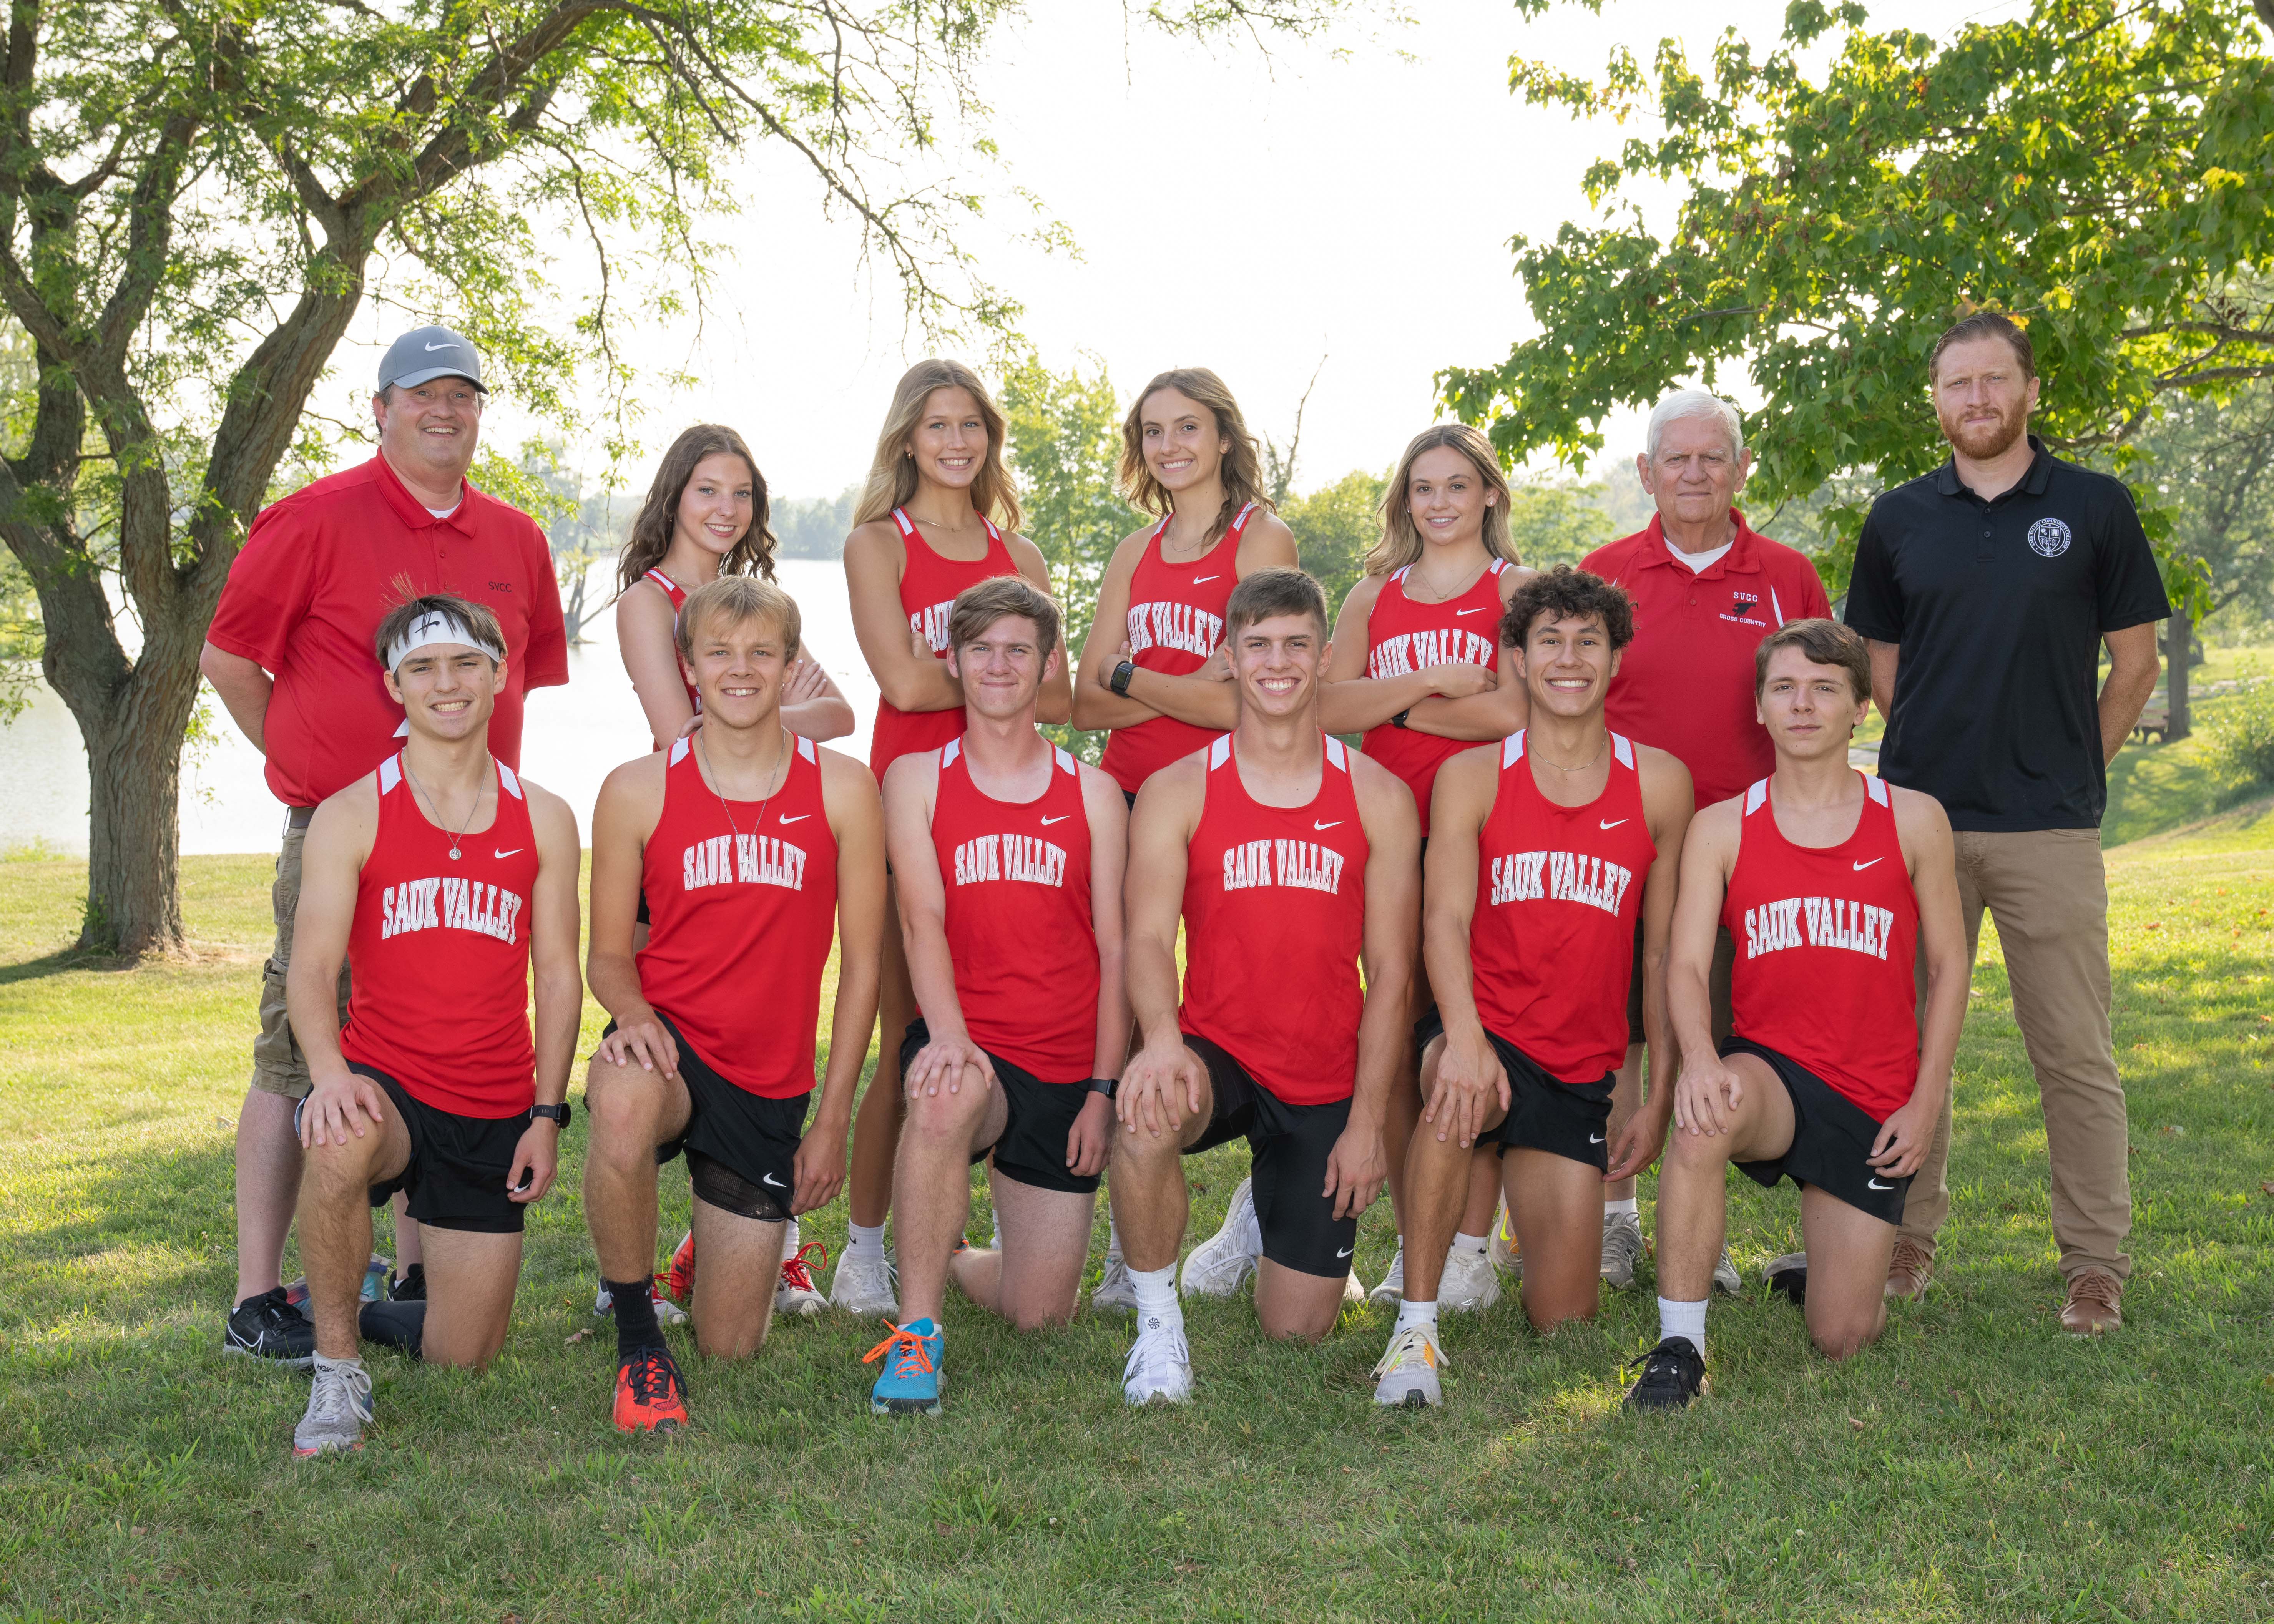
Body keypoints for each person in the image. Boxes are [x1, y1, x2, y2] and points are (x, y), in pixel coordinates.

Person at [202, 327, 568, 1365]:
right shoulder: (314, 518)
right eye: (422, 394)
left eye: (462, 393)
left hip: (476, 833)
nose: (443, 410)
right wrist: (306, 766)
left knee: (447, 1036)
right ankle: (258, 1296)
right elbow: (228, 657)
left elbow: (523, 685)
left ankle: (414, 1272)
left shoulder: (517, 538)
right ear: (381, 407)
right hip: (344, 829)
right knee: (296, 1054)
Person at [1845, 311, 2168, 1333]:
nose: (1974, 400)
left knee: (2071, 1053)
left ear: (2030, 390)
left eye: (1993, 381)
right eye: (1955, 385)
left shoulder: (2093, 506)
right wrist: (1941, 761)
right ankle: (1900, 1242)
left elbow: (2134, 665)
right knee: (1899, 1046)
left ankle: (2092, 1267)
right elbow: (1878, 665)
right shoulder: (1895, 518)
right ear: (1932, 401)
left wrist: (2067, 767)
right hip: (1917, 828)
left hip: (2048, 830)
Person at [1621, 621, 1967, 1408]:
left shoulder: (1913, 819)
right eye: (1784, 688)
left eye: (1823, 688)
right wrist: (1703, 1060)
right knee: (1708, 1118)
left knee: (1842, 1335)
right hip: (1771, 1073)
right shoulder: (1722, 826)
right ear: (1759, 707)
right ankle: (1680, 1346)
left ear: (1859, 709)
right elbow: (1681, 963)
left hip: (1872, 1096)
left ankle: (1817, 1265)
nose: (1802, 705)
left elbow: (1948, 969)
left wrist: (1925, 1100)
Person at [1372, 568, 1691, 1408]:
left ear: (1616, 658)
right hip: (1484, 1029)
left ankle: (1500, 1214)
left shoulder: (1659, 782)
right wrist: (1465, 1041)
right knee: (1452, 1083)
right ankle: (1417, 1322)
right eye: (1548, 640)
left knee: (1566, 1319)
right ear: (1515, 656)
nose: (1568, 657)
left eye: (1588, 640)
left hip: (1577, 1068)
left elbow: (1659, 958)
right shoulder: (1472, 776)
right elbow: (1442, 921)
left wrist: (1655, 1097)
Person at [581, 577, 885, 1433]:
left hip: (769, 1080)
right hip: (670, 1048)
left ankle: (698, 1254)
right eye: (719, 652)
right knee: (621, 1093)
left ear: (792, 667)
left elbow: (863, 967)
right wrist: (632, 1017)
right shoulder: (636, 789)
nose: (740, 669)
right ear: (688, 665)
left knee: (731, 1345)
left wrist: (831, 1122)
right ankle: (639, 1339)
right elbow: (607, 954)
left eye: (761, 653)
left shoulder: (843, 789)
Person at [282, 595, 582, 1456]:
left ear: (498, 676)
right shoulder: (352, 811)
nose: (445, 683)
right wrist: (332, 1076)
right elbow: (309, 970)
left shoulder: (546, 816)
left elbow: (558, 976)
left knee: (465, 1354)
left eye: (464, 664)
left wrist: (546, 1114)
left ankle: (365, 1302)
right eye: (423, 667)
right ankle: (336, 1371)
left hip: (492, 1099)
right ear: (395, 685)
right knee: (335, 1142)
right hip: (389, 1083)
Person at [1114, 567, 1418, 1406]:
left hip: (1323, 1074)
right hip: (1220, 1055)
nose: (1277, 662)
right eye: (1258, 645)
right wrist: (1163, 1041)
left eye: (1295, 644)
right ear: (1229, 657)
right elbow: (1145, 937)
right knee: (1143, 1112)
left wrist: (1367, 1123)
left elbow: (1391, 974)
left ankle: (1261, 1212)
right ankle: (1157, 1324)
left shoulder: (1379, 798)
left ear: (1324, 656)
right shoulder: (1180, 789)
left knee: (1297, 1329)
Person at [833, 360, 1071, 1318]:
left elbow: (1057, 693)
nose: (957, 441)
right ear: (907, 438)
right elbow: (898, 684)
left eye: (972, 424)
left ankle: (1001, 1226)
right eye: (938, 425)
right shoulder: (873, 544)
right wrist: (997, 681)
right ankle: (862, 1248)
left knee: (1015, 1012)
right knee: (910, 1040)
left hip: (1012, 805)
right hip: (916, 799)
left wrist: (976, 682)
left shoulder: (1022, 553)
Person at [1580, 389, 1832, 1294]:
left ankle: (1702, 1222)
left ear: (1740, 470)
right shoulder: (1603, 572)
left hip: (1746, 848)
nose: (1693, 474)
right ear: (1646, 473)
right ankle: (1614, 1217)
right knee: (1619, 1034)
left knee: (1711, 1032)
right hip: (1624, 842)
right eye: (1674, 459)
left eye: (1710, 458)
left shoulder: (1786, 576)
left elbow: (1822, 697)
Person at [606, 423, 856, 1325]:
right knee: (648, 1040)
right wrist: (771, 723)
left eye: (742, 494)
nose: (726, 508)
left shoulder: (757, 603)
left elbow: (844, 708)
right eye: (708, 489)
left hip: (761, 824)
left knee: (754, 1031)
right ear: (675, 495)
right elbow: (684, 738)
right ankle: (621, 1279)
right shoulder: (651, 600)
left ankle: (746, 1240)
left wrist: (764, 726)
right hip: (675, 833)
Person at [866, 578, 1130, 1416]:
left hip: (1060, 1059)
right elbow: (921, 918)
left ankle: (941, 1252)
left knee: (1040, 1313)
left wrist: (1100, 1091)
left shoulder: (1092, 793)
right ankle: (916, 1334)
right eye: (980, 647)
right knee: (943, 1097)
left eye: (1019, 648)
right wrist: (947, 1037)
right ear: (953, 658)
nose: (999, 664)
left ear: (1049, 661)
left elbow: (1117, 949)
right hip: (967, 1039)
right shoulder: (916, 777)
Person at [1070, 367, 1296, 1312]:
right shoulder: (1136, 547)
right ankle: (1129, 1243)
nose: (1170, 446)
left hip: (1222, 793)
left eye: (1188, 428)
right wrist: (1177, 681)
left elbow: (1255, 687)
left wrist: (1136, 670)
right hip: (1126, 786)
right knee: (1121, 979)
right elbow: (1084, 697)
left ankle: (1258, 1198)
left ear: (1224, 437)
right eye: (1153, 431)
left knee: (1241, 982)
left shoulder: (1263, 538)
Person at [1318, 424, 1533, 1315]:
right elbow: (1328, 707)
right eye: (1422, 488)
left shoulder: (1514, 587)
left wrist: (1401, 710)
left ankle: (1473, 1244)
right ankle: (1418, 1236)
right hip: (1387, 834)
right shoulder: (1373, 595)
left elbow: (1516, 713)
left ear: (1489, 493)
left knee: (1466, 1024)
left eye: (1456, 485)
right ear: (1404, 501)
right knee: (1395, 1025)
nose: (1438, 503)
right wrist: (1436, 686)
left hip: (1485, 835)